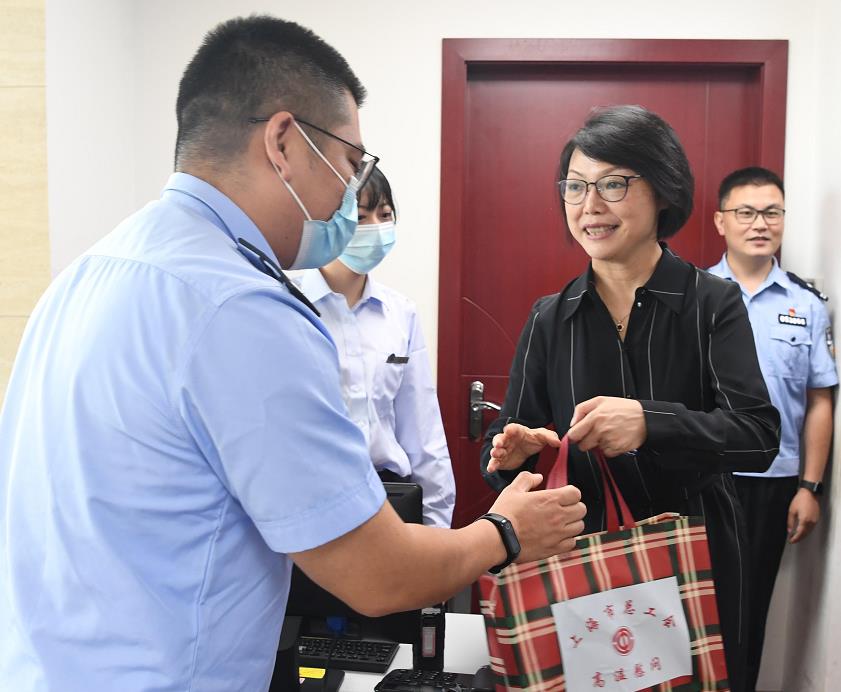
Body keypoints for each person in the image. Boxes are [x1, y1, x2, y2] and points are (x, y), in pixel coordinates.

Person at [0, 16, 587, 692]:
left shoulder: (91, 272)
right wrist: (505, 531)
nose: (350, 197)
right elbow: (377, 575)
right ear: (283, 142)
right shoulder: (241, 309)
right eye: (350, 165)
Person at [479, 105, 781, 692]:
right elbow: (511, 451)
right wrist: (514, 454)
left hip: (696, 555)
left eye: (613, 184)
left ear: (663, 189)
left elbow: (758, 435)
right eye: (575, 186)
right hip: (580, 560)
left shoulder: (711, 303)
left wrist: (651, 423)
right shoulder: (550, 318)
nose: (590, 205)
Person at [707, 166, 837, 692]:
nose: (760, 223)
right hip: (702, 478)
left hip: (771, 482)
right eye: (746, 212)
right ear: (721, 221)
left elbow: (820, 400)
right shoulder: (693, 295)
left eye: (772, 212)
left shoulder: (806, 305)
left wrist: (810, 486)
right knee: (692, 606)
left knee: (749, 612)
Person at [298, 167, 455, 527]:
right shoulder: (289, 306)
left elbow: (423, 431)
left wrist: (436, 526)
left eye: (384, 215)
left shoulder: (400, 313)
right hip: (311, 501)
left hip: (389, 500)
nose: (375, 227)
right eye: (360, 216)